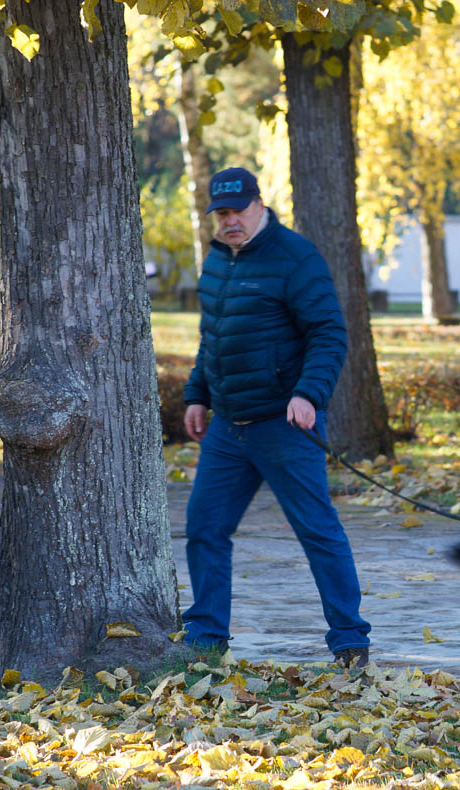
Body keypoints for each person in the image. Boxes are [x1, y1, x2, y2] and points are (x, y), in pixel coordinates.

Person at [181, 167, 371, 668]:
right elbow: (214, 337)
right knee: (204, 526)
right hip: (227, 427)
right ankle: (205, 639)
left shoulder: (295, 257)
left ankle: (350, 639)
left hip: (285, 426)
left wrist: (308, 393)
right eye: (221, 213)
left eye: (237, 210)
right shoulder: (218, 260)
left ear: (259, 204)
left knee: (317, 529)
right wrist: (197, 394)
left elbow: (329, 333)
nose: (230, 221)